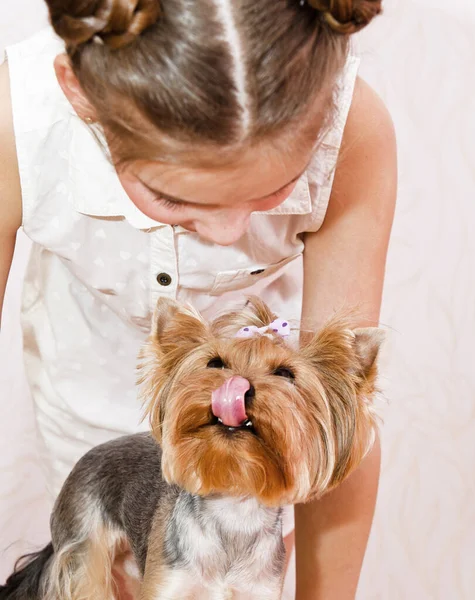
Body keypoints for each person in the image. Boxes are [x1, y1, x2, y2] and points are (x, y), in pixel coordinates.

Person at [0, 0, 396, 598]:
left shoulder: (354, 134)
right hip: (79, 398)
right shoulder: (19, 123)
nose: (227, 234)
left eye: (274, 191)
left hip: (268, 449)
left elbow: (340, 421)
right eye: (171, 197)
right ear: (79, 94)